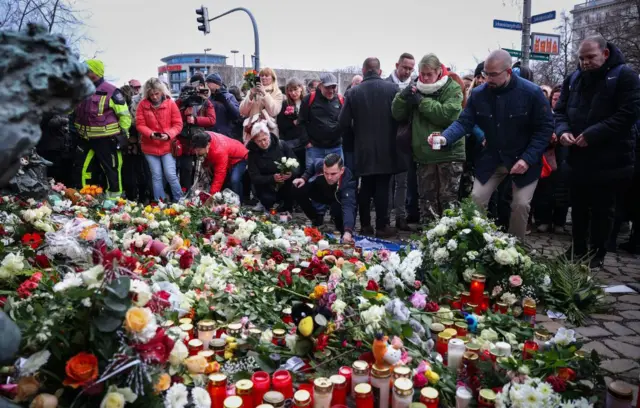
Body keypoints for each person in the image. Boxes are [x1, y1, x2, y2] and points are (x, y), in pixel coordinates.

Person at [431, 49, 553, 241]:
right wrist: (444, 138)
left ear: (509, 72)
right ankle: (476, 244)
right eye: (485, 74)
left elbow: (545, 129)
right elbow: (464, 122)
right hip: (493, 157)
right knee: (476, 199)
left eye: (493, 74)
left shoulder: (532, 93)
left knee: (520, 204)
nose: (488, 79)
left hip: (524, 159)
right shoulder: (479, 94)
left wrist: (527, 159)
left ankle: (515, 249)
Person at [555, 36, 640, 267]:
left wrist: (594, 134)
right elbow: (560, 111)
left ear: (605, 53)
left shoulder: (626, 76)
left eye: (590, 57)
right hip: (578, 156)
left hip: (611, 157)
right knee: (579, 206)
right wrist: (563, 132)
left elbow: (627, 114)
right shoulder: (573, 79)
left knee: (603, 208)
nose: (585, 62)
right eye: (581, 58)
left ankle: (597, 253)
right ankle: (578, 248)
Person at [392, 53, 465, 221]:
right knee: (427, 199)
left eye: (429, 74)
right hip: (424, 153)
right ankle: (430, 235)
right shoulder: (416, 87)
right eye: (422, 74)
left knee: (448, 198)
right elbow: (397, 114)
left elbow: (447, 115)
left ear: (438, 72)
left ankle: (449, 234)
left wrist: (421, 102)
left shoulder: (452, 87)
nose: (424, 78)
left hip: (449, 153)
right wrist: (402, 97)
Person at [340, 57, 402, 238]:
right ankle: (382, 226)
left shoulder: (353, 92)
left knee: (365, 186)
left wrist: (355, 137)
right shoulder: (392, 89)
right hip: (386, 147)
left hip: (363, 148)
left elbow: (343, 122)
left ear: (364, 71)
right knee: (383, 187)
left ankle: (365, 225)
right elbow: (400, 116)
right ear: (380, 71)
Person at [73, 59, 131, 199]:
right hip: (84, 138)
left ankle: (114, 200)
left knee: (111, 170)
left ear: (95, 72)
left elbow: (124, 115)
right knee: (82, 168)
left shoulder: (112, 91)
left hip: (107, 140)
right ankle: (85, 199)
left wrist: (123, 134)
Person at [135, 78, 184, 202]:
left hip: (167, 145)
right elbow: (140, 124)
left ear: (162, 92)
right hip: (149, 146)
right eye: (151, 95)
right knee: (156, 176)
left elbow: (178, 124)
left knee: (170, 175)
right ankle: (159, 202)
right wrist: (151, 134)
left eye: (157, 94)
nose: (155, 97)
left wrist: (168, 135)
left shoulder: (170, 104)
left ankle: (180, 200)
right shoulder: (142, 105)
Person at [293, 153, 356, 243]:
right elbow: (314, 164)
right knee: (297, 186)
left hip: (337, 200)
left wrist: (348, 231)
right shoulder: (320, 164)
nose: (329, 177)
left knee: (342, 230)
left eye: (333, 174)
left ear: (341, 170)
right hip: (321, 192)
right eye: (326, 173)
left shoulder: (348, 181)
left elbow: (349, 207)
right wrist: (304, 178)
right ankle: (315, 218)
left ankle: (341, 228)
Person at [532, 85, 569, 234]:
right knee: (544, 190)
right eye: (554, 99)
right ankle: (544, 220)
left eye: (560, 99)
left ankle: (559, 222)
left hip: (564, 156)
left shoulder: (568, 116)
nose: (557, 101)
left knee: (563, 190)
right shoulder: (545, 115)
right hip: (546, 156)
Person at [247, 121, 300, 211]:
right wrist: (272, 178)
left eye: (265, 139)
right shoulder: (253, 153)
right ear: (254, 141)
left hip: (285, 183)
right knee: (267, 200)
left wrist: (291, 173)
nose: (263, 143)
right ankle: (265, 203)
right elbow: (254, 176)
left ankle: (288, 205)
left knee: (293, 190)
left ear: (269, 135)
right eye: (259, 141)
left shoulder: (281, 145)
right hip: (266, 185)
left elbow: (296, 163)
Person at [175, 74, 216, 189]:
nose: (198, 88)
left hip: (200, 141)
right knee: (186, 170)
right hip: (184, 142)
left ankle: (200, 193)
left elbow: (212, 120)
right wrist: (184, 112)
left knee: (202, 171)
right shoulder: (182, 99)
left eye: (201, 85)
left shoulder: (206, 102)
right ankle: (185, 193)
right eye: (196, 86)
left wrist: (195, 119)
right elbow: (173, 116)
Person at [299, 73, 345, 170]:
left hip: (335, 147)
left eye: (333, 87)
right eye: (328, 87)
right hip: (315, 148)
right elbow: (301, 122)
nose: (331, 90)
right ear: (320, 85)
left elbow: (345, 121)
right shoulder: (309, 99)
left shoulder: (341, 100)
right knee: (312, 177)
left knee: (337, 178)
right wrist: (307, 142)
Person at [190, 129, 249, 197]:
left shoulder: (218, 151)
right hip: (227, 156)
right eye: (196, 150)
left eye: (199, 150)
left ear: (208, 145)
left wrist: (210, 197)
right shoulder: (202, 137)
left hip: (240, 157)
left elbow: (219, 176)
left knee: (234, 180)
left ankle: (238, 204)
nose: (197, 152)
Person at [239, 67, 284, 142]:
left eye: (266, 75)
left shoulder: (277, 92)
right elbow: (242, 111)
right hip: (251, 130)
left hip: (268, 131)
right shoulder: (252, 90)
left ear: (272, 78)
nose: (263, 77)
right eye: (262, 75)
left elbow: (274, 111)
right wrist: (250, 96)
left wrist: (264, 93)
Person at [276, 77, 308, 170]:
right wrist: (293, 123)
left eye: (295, 89)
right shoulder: (285, 104)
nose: (293, 93)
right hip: (290, 142)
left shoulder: (306, 102)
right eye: (290, 90)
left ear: (301, 88)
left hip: (305, 141)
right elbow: (281, 124)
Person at [206, 73, 241, 138]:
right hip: (212, 135)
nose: (207, 84)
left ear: (216, 83)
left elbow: (236, 114)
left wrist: (225, 101)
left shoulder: (229, 96)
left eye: (209, 82)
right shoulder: (208, 98)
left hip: (226, 135)